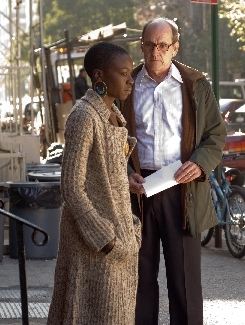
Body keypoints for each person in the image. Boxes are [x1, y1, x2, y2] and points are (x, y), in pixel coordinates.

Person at [119, 17, 226, 325]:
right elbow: (111, 139)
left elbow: (216, 135)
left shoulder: (196, 84)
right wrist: (124, 173)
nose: (156, 51)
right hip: (138, 192)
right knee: (139, 279)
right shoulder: (126, 85)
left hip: (183, 192)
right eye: (149, 44)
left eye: (163, 45)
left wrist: (200, 163)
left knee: (184, 282)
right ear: (141, 46)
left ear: (175, 48)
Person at [47, 42, 141, 325]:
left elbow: (100, 174)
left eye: (130, 73)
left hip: (120, 240)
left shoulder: (115, 114)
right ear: (99, 76)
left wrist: (125, 182)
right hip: (95, 245)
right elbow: (72, 186)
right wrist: (105, 238)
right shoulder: (84, 116)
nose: (130, 79)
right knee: (90, 314)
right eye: (123, 73)